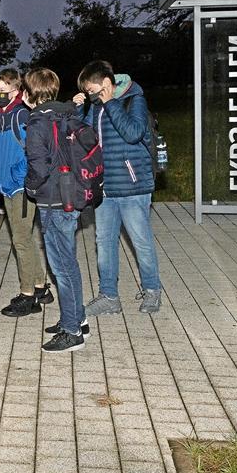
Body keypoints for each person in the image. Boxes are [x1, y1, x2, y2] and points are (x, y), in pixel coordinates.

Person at [74, 60, 163, 317]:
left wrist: (111, 102)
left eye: (92, 89)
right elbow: (84, 137)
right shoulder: (97, 106)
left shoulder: (134, 99)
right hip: (106, 187)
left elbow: (133, 133)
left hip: (133, 186)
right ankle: (108, 296)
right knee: (104, 243)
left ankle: (152, 290)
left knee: (141, 241)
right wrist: (80, 110)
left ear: (106, 83)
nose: (91, 94)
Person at [23, 67, 88, 353]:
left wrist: (30, 188)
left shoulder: (37, 123)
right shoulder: (68, 114)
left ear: (28, 94)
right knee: (68, 263)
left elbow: (37, 166)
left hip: (53, 200)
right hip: (72, 194)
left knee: (61, 266)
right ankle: (76, 318)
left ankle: (72, 332)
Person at [0, 67, 51, 318]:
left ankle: (28, 296)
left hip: (21, 188)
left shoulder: (20, 115)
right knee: (23, 238)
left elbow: (33, 151)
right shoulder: (3, 115)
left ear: (17, 90)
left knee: (21, 240)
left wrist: (18, 178)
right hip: (8, 186)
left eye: (3, 91)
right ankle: (39, 286)